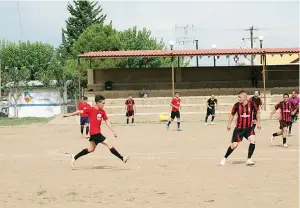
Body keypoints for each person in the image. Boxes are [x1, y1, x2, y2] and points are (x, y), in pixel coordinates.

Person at [62, 95, 131, 168]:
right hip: (95, 133)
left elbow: (107, 122)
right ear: (98, 103)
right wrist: (67, 115)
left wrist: (113, 131)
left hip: (96, 134)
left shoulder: (102, 112)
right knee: (108, 144)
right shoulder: (91, 109)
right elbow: (79, 111)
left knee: (90, 149)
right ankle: (122, 158)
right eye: (103, 103)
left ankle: (74, 157)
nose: (104, 105)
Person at [220, 91, 260, 166]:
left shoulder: (252, 104)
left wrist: (258, 123)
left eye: (240, 97)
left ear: (245, 97)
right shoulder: (236, 105)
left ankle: (249, 159)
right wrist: (229, 124)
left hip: (249, 128)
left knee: (253, 140)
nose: (238, 98)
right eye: (238, 97)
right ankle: (224, 158)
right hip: (239, 129)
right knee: (234, 145)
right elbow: (232, 114)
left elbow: (257, 112)